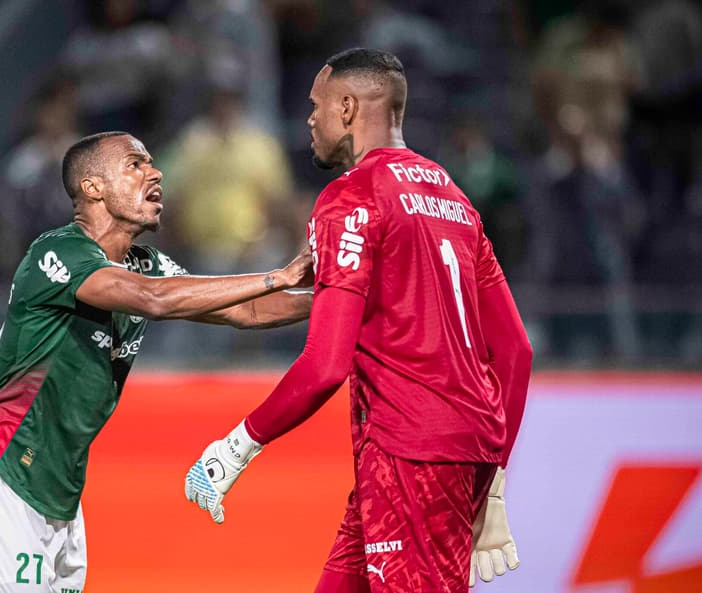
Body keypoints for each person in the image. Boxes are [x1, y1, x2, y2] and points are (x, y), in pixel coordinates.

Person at [184, 49, 533, 593]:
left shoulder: (352, 198)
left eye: (316, 105)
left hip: (411, 452)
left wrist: (238, 446)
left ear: (346, 108)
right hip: (451, 448)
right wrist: (494, 476)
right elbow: (514, 352)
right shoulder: (455, 198)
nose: (309, 119)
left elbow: (326, 364)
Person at [0, 131, 313, 593]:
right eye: (136, 165)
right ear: (93, 188)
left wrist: (341, 298)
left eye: (153, 164)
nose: (155, 173)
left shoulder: (146, 264)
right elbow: (153, 300)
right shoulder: (56, 252)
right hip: (1, 473)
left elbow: (249, 310)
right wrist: (278, 275)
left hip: (60, 493)